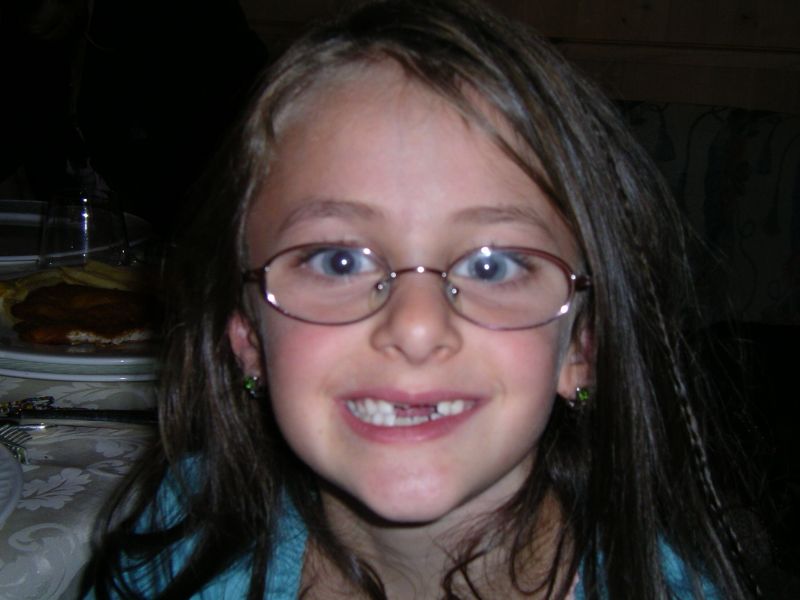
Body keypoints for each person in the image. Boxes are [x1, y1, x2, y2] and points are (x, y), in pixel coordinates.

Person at [83, 0, 759, 598]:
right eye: (338, 259)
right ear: (249, 337)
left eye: (493, 265)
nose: (414, 327)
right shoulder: (180, 540)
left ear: (583, 346)